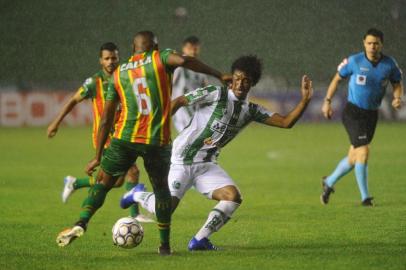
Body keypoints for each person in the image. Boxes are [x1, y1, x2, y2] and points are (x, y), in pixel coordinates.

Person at [56, 31, 230, 255]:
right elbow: (186, 60)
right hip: (156, 142)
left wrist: (97, 156)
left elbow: (107, 118)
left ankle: (81, 222)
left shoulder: (119, 73)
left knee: (103, 182)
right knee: (161, 191)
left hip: (124, 138)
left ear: (132, 48)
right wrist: (217, 74)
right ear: (155, 47)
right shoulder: (161, 58)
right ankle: (165, 246)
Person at [121, 55, 313, 250]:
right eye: (237, 78)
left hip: (207, 164)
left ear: (253, 83)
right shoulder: (215, 93)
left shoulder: (251, 110)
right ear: (232, 77)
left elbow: (285, 122)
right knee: (165, 209)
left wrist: (305, 100)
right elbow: (179, 101)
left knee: (233, 196)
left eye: (246, 80)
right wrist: (158, 126)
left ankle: (199, 240)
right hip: (183, 159)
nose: (240, 84)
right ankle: (137, 194)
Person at [47, 42, 152, 222]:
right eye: (107, 58)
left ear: (119, 58)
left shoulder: (125, 77)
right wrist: (56, 123)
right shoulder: (94, 82)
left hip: (122, 134)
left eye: (114, 58)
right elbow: (73, 100)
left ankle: (75, 183)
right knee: (132, 171)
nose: (111, 61)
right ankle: (135, 215)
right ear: (100, 61)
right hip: (104, 139)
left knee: (117, 181)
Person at [320, 28, 403, 206]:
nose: (373, 46)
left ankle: (329, 182)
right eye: (369, 43)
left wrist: (397, 97)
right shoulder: (354, 61)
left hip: (371, 115)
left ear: (382, 45)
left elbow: (397, 83)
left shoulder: (389, 64)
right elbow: (336, 79)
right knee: (363, 152)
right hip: (353, 112)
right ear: (364, 43)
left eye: (376, 43)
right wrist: (327, 101)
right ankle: (365, 198)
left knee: (354, 156)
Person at [172, 36, 209, 132]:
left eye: (195, 49)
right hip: (182, 110)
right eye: (190, 48)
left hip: (196, 110)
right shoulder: (178, 66)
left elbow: (206, 87)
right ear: (184, 49)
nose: (193, 51)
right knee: (191, 136)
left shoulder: (201, 68)